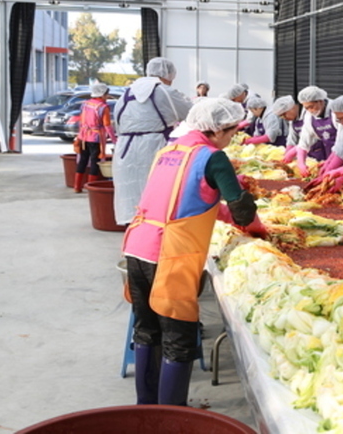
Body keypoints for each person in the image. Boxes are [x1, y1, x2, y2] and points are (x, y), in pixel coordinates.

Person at [122, 98, 258, 406]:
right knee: (179, 339)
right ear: (218, 130)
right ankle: (171, 417)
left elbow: (194, 200)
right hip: (169, 254)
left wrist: (229, 216)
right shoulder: (214, 157)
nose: (233, 137)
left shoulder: (169, 151)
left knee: (147, 331)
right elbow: (240, 209)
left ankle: (147, 409)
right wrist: (255, 226)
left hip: (137, 247)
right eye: (233, 131)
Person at [113, 58, 193, 225]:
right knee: (156, 195)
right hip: (153, 147)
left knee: (132, 197)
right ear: (167, 74)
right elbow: (190, 114)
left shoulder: (126, 93)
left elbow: (118, 123)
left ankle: (134, 237)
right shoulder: (164, 91)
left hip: (125, 150)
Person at [73, 83, 117, 193]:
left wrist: (79, 137)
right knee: (95, 162)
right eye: (107, 94)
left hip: (83, 136)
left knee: (82, 161)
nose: (107, 96)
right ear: (102, 94)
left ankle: (77, 187)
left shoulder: (85, 104)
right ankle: (90, 187)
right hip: (95, 138)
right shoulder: (103, 107)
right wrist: (114, 139)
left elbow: (81, 121)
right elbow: (107, 124)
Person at [294, 86, 335, 177]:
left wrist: (331, 162)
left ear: (320, 101)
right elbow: (304, 141)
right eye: (306, 108)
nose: (309, 110)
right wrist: (301, 163)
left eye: (311, 107)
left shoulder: (336, 111)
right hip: (330, 155)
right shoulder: (309, 116)